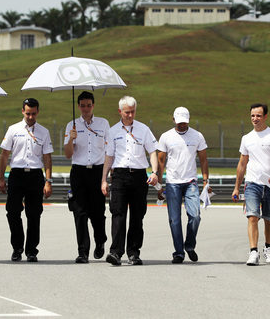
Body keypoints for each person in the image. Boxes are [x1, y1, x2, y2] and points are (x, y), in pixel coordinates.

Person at [101, 96, 159, 266]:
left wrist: (154, 172)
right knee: (118, 213)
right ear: (120, 112)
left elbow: (153, 152)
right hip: (119, 175)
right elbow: (109, 156)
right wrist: (103, 180)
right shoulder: (112, 131)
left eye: (133, 111)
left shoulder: (144, 129)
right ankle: (116, 252)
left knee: (137, 215)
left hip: (139, 176)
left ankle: (133, 253)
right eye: (127, 112)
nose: (130, 115)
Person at [0, 98, 53, 263]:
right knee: (13, 212)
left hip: (35, 175)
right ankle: (17, 248)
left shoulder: (44, 132)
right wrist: (1, 178)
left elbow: (47, 157)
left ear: (38, 112)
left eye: (33, 113)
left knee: (34, 214)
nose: (30, 117)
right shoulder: (13, 130)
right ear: (22, 111)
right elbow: (4, 155)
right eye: (28, 113)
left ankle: (31, 250)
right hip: (17, 174)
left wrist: (48, 181)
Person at [231, 103, 270, 266]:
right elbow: (242, 164)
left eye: (258, 116)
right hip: (252, 183)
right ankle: (253, 252)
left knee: (269, 219)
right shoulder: (246, 138)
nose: (255, 119)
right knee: (252, 216)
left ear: (265, 117)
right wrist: (236, 187)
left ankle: (268, 248)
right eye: (252, 116)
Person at [157, 106, 209, 264]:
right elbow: (160, 161)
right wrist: (159, 185)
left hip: (191, 181)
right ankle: (178, 252)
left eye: (184, 122)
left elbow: (203, 159)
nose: (182, 125)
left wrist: (206, 180)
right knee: (174, 219)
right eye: (179, 122)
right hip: (173, 182)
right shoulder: (166, 137)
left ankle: (189, 245)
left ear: (188, 120)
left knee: (195, 216)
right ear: (173, 120)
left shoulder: (197, 136)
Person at [64, 91, 109, 264]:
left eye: (88, 105)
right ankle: (83, 251)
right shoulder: (72, 125)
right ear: (78, 106)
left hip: (97, 171)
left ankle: (100, 240)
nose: (85, 109)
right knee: (79, 212)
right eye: (82, 105)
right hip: (79, 172)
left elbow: (108, 150)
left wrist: (106, 175)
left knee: (98, 212)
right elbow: (68, 154)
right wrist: (70, 140)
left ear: (93, 105)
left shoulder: (103, 123)